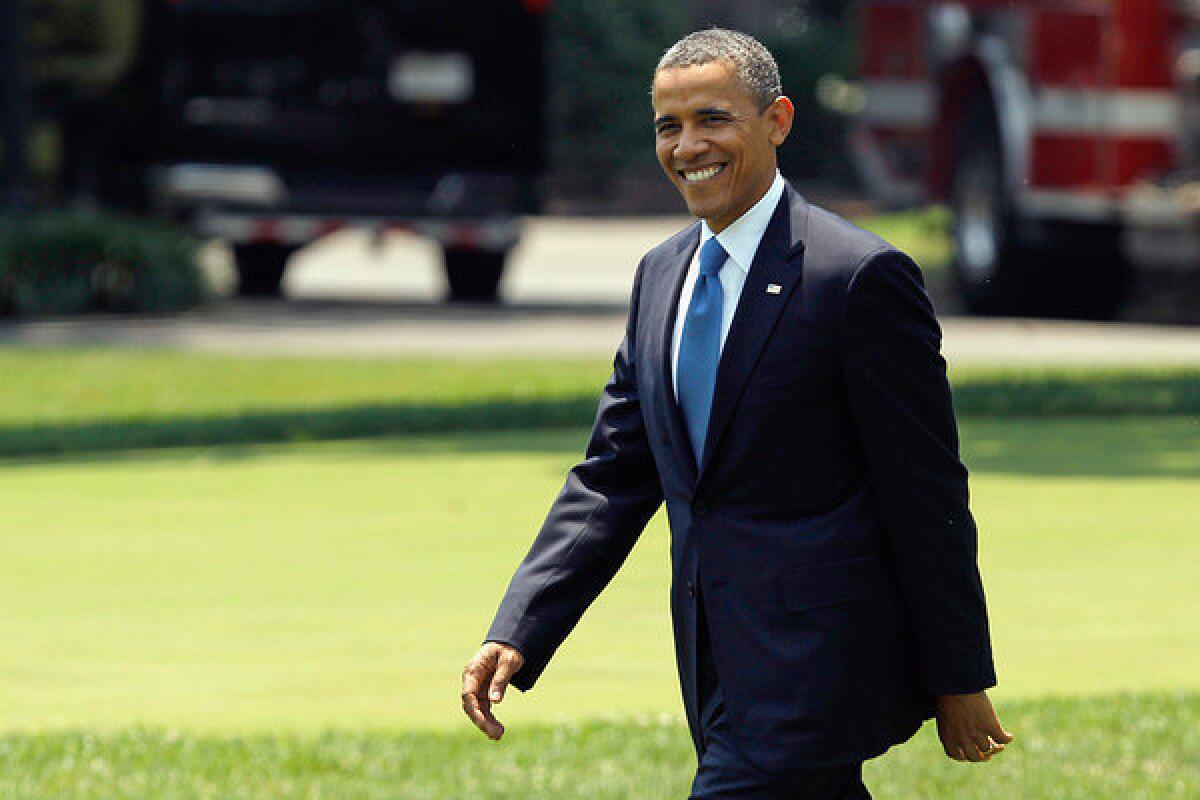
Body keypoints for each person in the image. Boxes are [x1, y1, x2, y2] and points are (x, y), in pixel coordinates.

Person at [461, 28, 1011, 799]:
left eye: (713, 120)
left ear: (777, 121)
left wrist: (955, 676)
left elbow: (926, 496)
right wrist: (519, 627)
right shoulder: (660, 277)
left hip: (814, 666)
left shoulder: (857, 278)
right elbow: (614, 476)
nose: (689, 147)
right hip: (711, 661)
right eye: (668, 126)